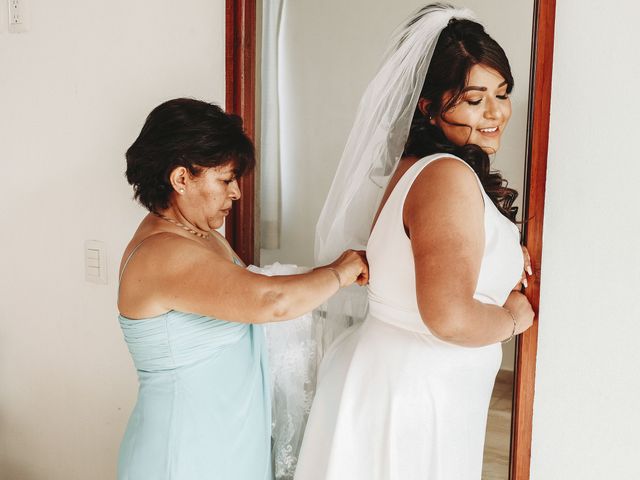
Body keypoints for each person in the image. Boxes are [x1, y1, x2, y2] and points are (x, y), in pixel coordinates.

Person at [294, 5, 535, 479]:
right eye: (473, 99)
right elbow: (447, 315)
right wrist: (512, 318)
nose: (495, 112)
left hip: (399, 379)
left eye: (502, 94)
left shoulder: (419, 167)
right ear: (428, 105)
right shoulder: (446, 175)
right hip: (416, 395)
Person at [116, 98, 368, 480]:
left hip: (226, 441)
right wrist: (341, 271)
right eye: (225, 179)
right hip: (184, 451)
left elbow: (249, 290)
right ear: (181, 179)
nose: (235, 193)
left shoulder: (200, 236)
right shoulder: (163, 253)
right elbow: (270, 300)